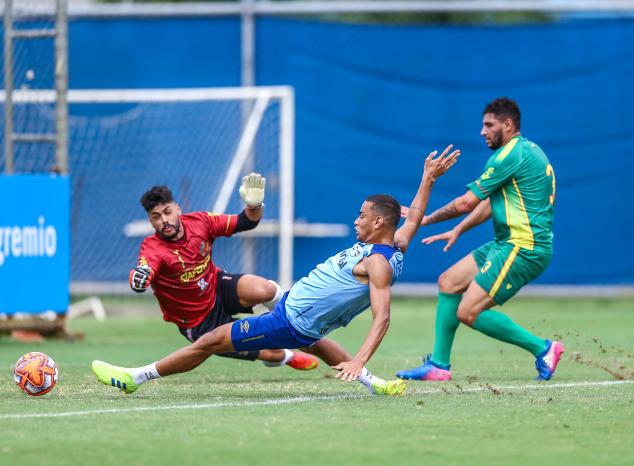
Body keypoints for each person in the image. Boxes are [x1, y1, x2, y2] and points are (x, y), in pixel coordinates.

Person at [92, 145, 460, 396]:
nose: (355, 220)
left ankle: (135, 376)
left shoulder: (378, 263)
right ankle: (372, 383)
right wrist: (428, 178)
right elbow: (413, 219)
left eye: (362, 216)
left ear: (379, 221)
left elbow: (383, 317)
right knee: (301, 326)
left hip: (289, 320)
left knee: (208, 342)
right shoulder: (396, 243)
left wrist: (361, 356)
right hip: (295, 311)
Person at [396, 97, 564, 382]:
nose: (482, 131)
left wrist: (424, 218)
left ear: (508, 125)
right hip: (507, 243)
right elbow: (489, 204)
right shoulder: (527, 151)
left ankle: (544, 348)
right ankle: (438, 365)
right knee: (449, 282)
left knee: (468, 311)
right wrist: (458, 230)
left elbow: (466, 203)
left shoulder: (509, 155)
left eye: (489, 125)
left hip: (523, 247)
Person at [126, 174, 319, 374]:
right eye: (156, 217)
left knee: (266, 290)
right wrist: (138, 279)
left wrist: (254, 206)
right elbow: (143, 271)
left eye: (167, 212)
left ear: (177, 209)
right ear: (150, 220)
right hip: (198, 322)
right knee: (273, 352)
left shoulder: (200, 222)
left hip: (216, 287)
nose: (164, 220)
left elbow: (246, 222)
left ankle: (292, 322)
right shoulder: (152, 248)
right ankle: (285, 356)